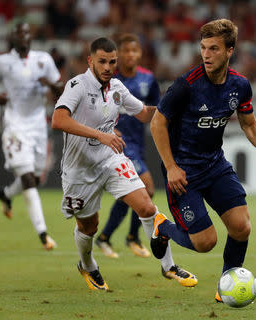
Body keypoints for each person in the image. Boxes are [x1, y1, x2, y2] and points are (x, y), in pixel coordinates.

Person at [150, 19, 256, 302]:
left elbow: (249, 124)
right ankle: (162, 227)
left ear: (229, 51)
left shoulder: (239, 85)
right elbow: (157, 124)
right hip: (183, 173)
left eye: (213, 48)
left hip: (214, 165)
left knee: (241, 226)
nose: (206, 54)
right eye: (203, 48)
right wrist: (171, 167)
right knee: (205, 242)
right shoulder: (186, 85)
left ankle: (226, 286)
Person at [51, 37, 197, 290]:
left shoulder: (117, 87)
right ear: (91, 61)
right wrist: (100, 134)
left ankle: (168, 266)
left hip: (110, 159)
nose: (108, 67)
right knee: (89, 226)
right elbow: (58, 120)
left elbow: (143, 113)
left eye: (112, 62)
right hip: (79, 169)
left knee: (147, 206)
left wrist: (175, 109)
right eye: (102, 62)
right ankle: (87, 265)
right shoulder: (77, 86)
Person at [0, 22, 63, 250]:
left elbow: (61, 91)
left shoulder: (44, 60)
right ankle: (43, 235)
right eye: (19, 33)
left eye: (27, 33)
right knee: (28, 178)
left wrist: (50, 84)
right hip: (15, 125)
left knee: (36, 178)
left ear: (31, 37)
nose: (23, 37)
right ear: (13, 37)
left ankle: (6, 194)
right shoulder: (1, 62)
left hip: (39, 125)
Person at [95, 33, 160, 259]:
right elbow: (93, 107)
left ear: (140, 53)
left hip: (138, 143)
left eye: (134, 50)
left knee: (128, 195)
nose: (130, 55)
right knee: (147, 189)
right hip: (118, 145)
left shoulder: (148, 79)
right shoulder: (109, 80)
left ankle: (104, 237)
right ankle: (132, 236)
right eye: (126, 51)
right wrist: (107, 128)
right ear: (118, 55)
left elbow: (156, 109)